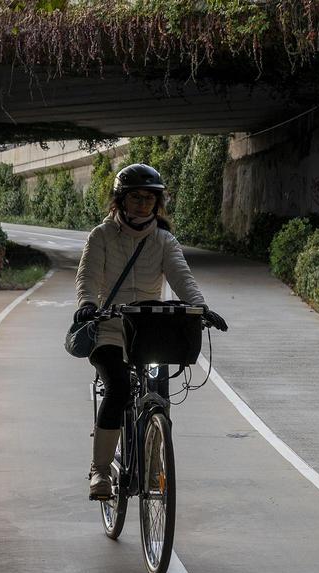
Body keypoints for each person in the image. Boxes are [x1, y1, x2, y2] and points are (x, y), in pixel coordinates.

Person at [74, 163, 227, 500]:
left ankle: (156, 460)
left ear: (157, 203)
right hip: (110, 329)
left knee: (158, 392)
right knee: (117, 389)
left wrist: (200, 307)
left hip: (149, 333)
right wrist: (87, 303)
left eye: (149, 198)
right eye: (135, 197)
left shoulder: (163, 240)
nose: (142, 204)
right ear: (121, 200)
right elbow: (87, 278)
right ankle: (100, 471)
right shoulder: (101, 236)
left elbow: (182, 278)